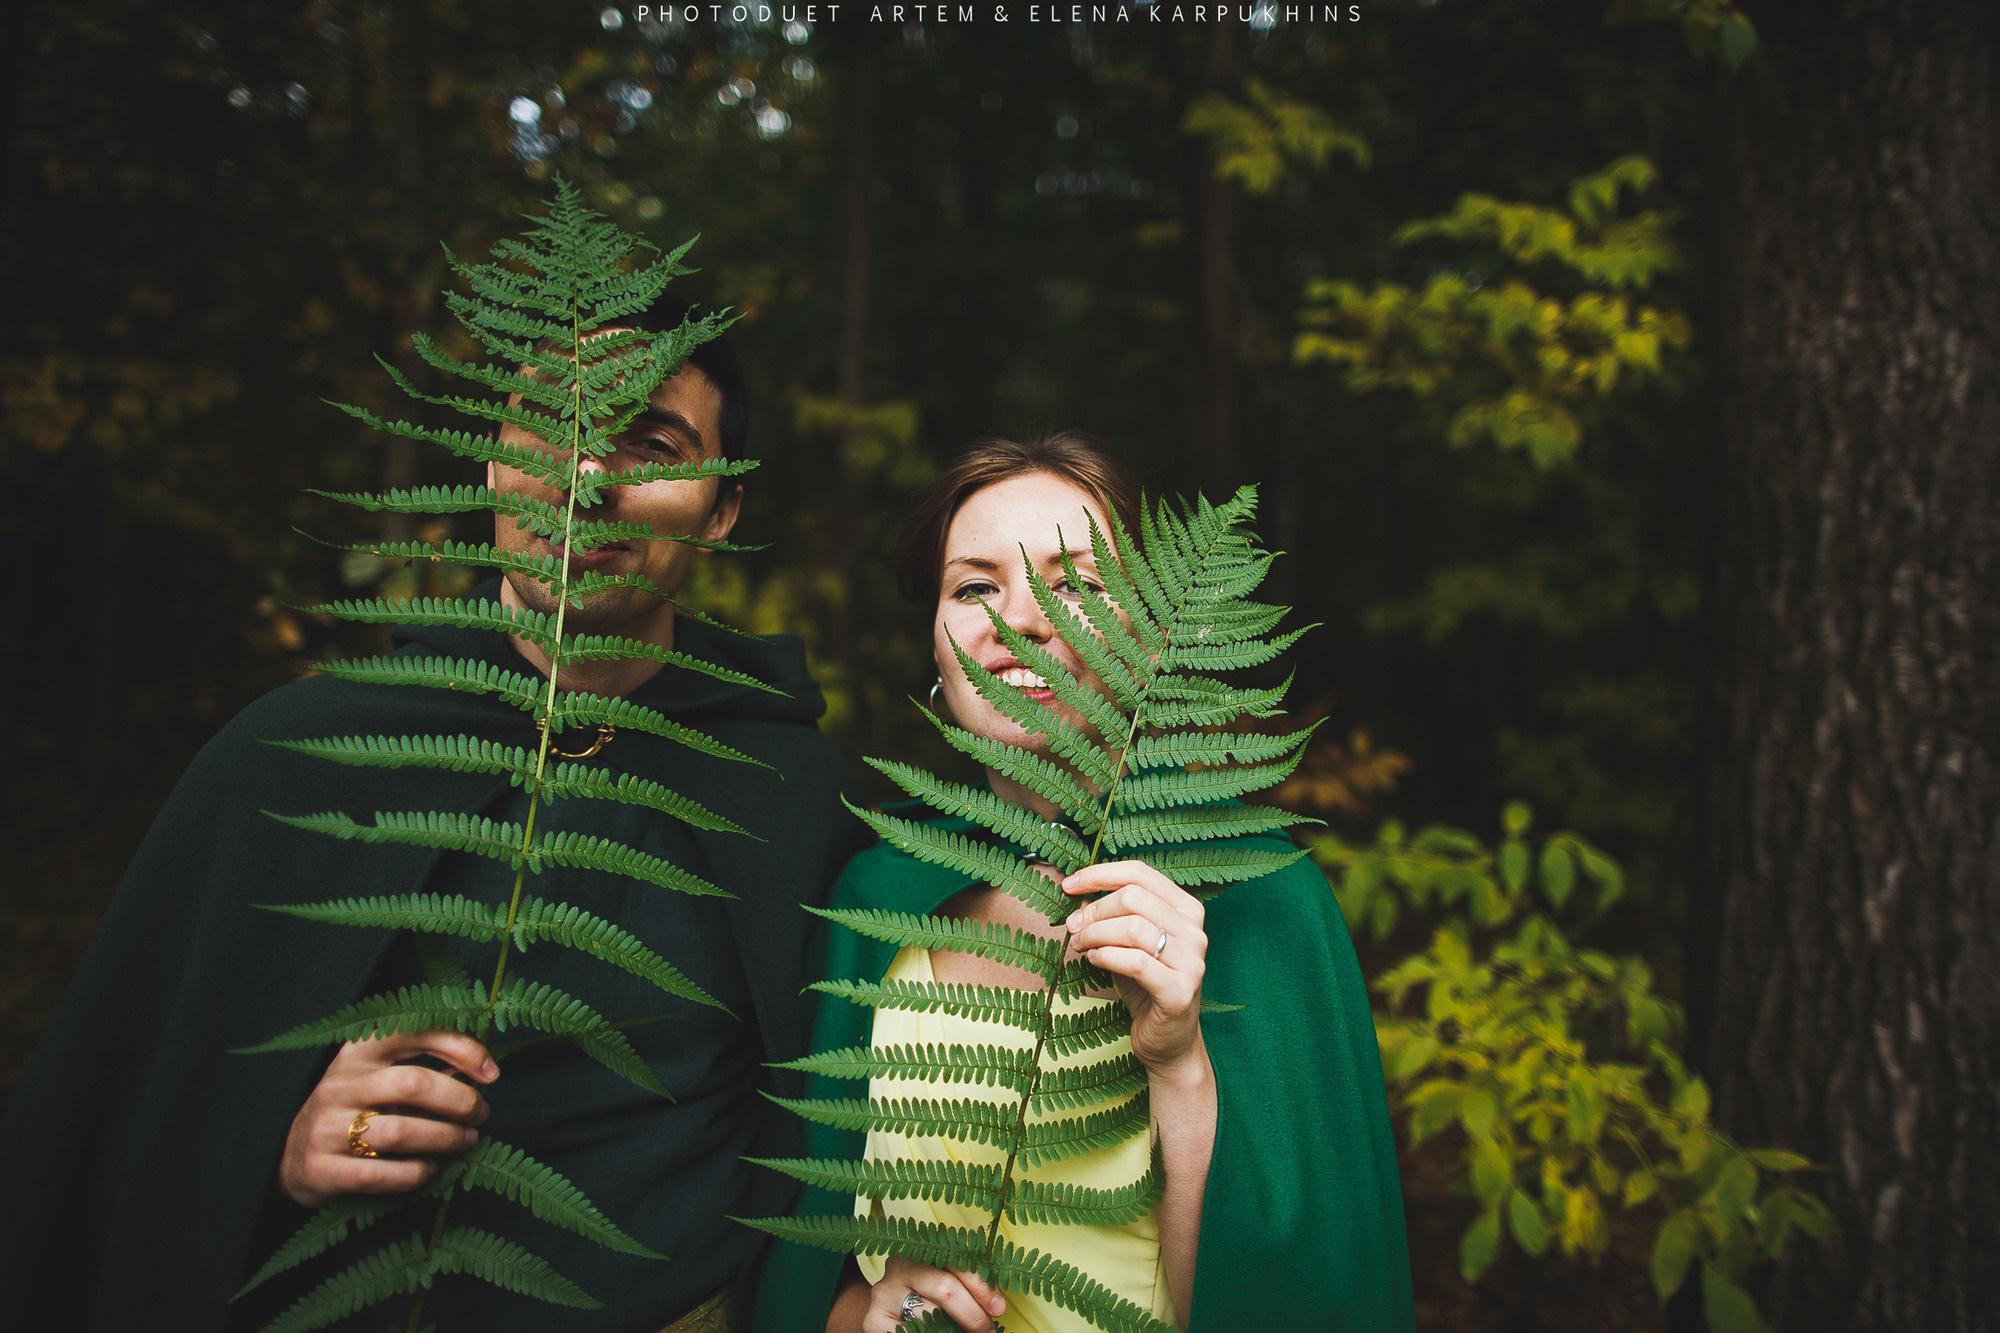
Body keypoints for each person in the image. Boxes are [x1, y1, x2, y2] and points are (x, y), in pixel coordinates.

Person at [0, 302, 865, 1333]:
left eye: (652, 444)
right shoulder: (303, 758)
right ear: (493, 468)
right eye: (553, 427)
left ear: (720, 511)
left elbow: (855, 1140)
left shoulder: (791, 790)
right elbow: (126, 1114)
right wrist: (276, 1143)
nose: (589, 477)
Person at [752, 434, 1414, 1333]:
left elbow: (1290, 1297)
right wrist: (872, 1306)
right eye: (975, 585)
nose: (1019, 617)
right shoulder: (874, 894)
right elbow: (799, 1273)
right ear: (936, 655)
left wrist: (1178, 1059)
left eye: (1075, 585)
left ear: (1148, 638)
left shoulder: (1265, 900)